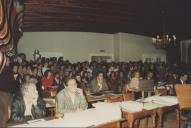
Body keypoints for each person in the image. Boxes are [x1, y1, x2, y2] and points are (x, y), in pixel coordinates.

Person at [0, 52, 20, 126]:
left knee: (3, 113)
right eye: (8, 60)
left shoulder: (3, 69)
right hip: (6, 94)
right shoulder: (7, 70)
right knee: (6, 114)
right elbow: (12, 83)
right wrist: (15, 79)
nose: (9, 62)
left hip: (3, 93)